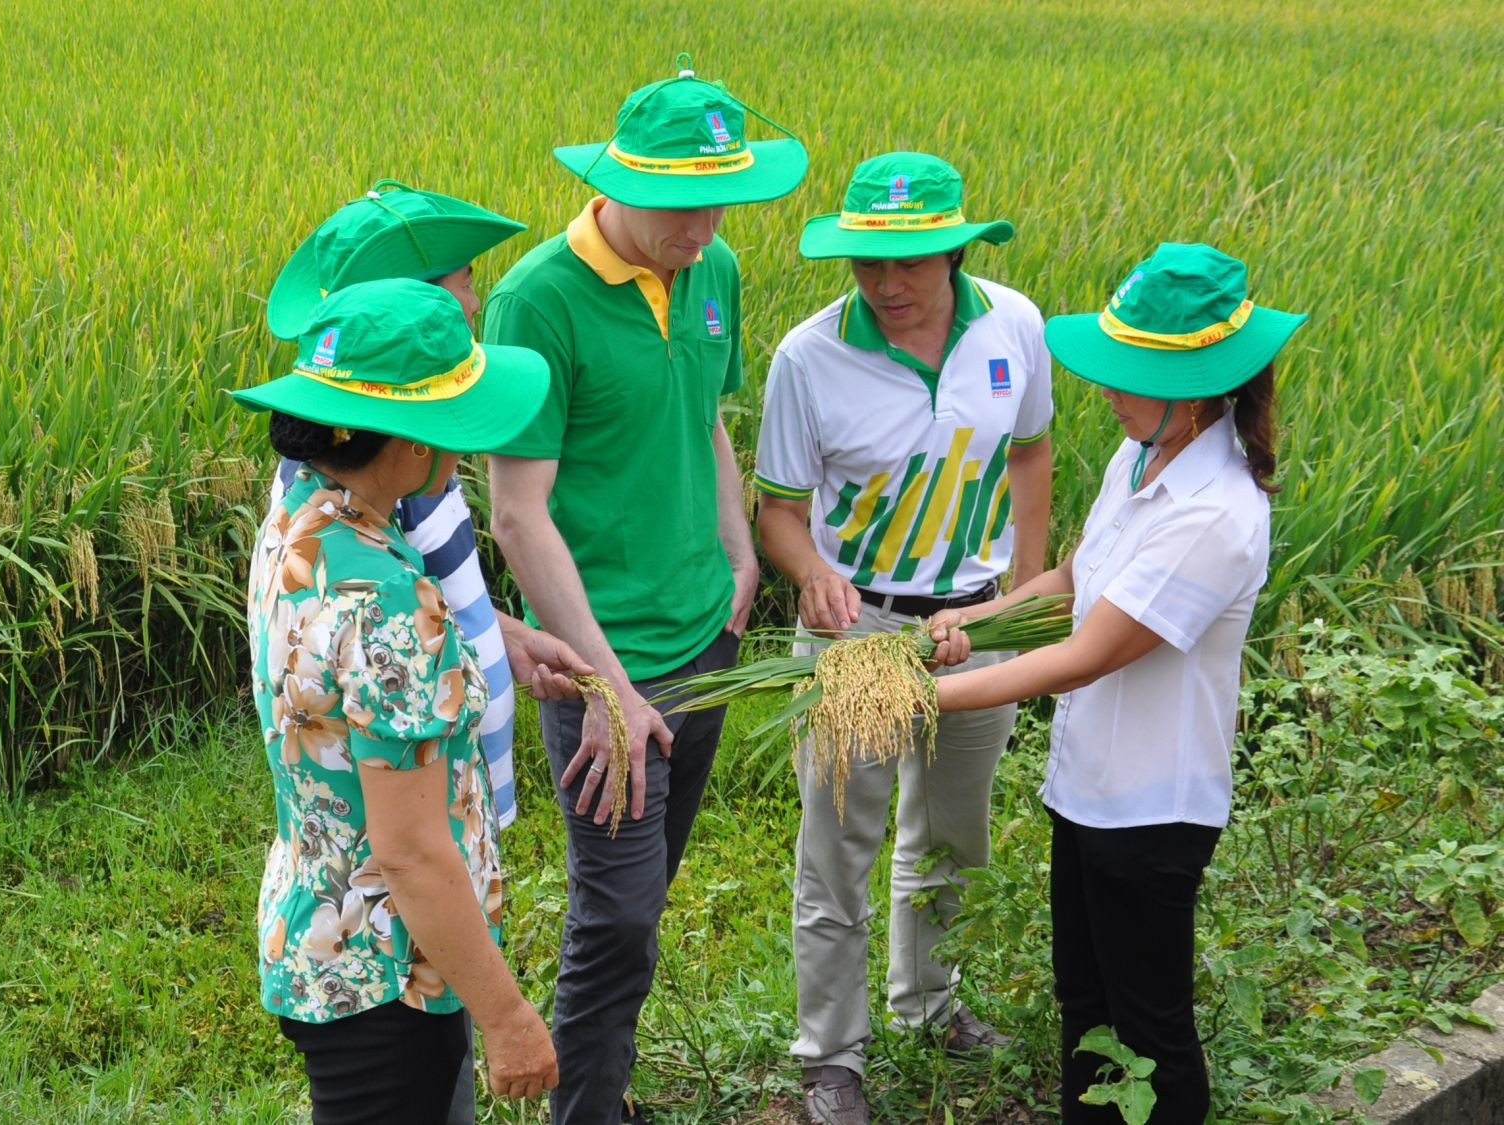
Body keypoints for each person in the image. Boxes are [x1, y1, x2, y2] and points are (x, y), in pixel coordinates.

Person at [483, 56, 807, 1125]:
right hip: (597, 658)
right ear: (617, 179)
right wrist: (609, 688)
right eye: (677, 200)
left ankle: (599, 1085)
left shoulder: (712, 272)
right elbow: (518, 511)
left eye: (719, 197)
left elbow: (708, 418)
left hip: (702, 640)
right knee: (618, 916)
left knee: (642, 895)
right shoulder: (540, 300)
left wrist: (740, 550)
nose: (702, 222)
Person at [925, 243, 1307, 1123]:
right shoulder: (1138, 460)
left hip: (1153, 811)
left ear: (1202, 383)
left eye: (1132, 374)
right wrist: (970, 623)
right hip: (1087, 788)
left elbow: (1087, 651)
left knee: (1150, 1028)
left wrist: (920, 699)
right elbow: (1072, 578)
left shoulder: (1216, 513)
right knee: (1087, 1013)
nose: (1109, 390)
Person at [265, 182, 593, 1123]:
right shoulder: (389, 595)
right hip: (388, 970)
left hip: (315, 928)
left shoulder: (300, 522)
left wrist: (504, 639)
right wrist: (510, 1018)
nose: (465, 444)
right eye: (455, 420)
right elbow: (410, 849)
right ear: (407, 443)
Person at [754, 151, 1053, 1125]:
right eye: (866, 264)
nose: (885, 285)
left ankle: (929, 1006)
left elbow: (1031, 448)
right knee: (838, 846)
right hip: (863, 632)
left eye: (910, 263)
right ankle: (830, 1055)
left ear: (958, 250)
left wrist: (1016, 595)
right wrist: (811, 573)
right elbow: (779, 509)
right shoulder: (807, 357)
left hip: (977, 624)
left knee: (953, 836)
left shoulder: (1015, 325)